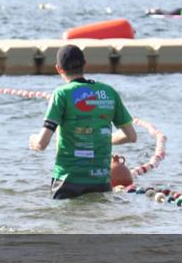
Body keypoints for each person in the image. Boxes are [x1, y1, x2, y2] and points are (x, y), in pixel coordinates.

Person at [29, 45, 137, 199]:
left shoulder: (61, 94)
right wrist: (99, 138)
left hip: (67, 180)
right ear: (85, 64)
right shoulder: (108, 92)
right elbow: (131, 136)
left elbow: (42, 143)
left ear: (59, 69)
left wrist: (33, 140)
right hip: (100, 181)